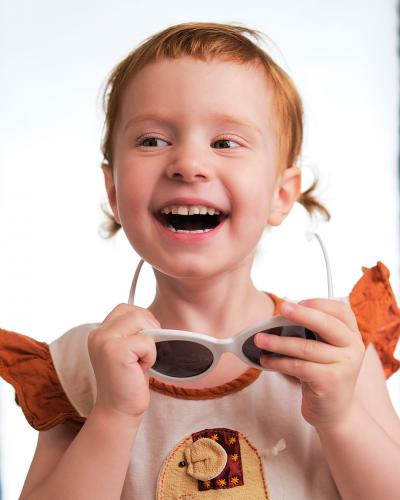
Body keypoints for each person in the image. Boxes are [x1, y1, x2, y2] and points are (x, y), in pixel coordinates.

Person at [1, 21, 400, 500]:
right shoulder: (81, 365)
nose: (188, 164)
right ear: (114, 191)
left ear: (280, 195)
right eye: (152, 140)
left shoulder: (335, 348)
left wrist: (341, 417)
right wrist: (113, 415)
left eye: (225, 143)